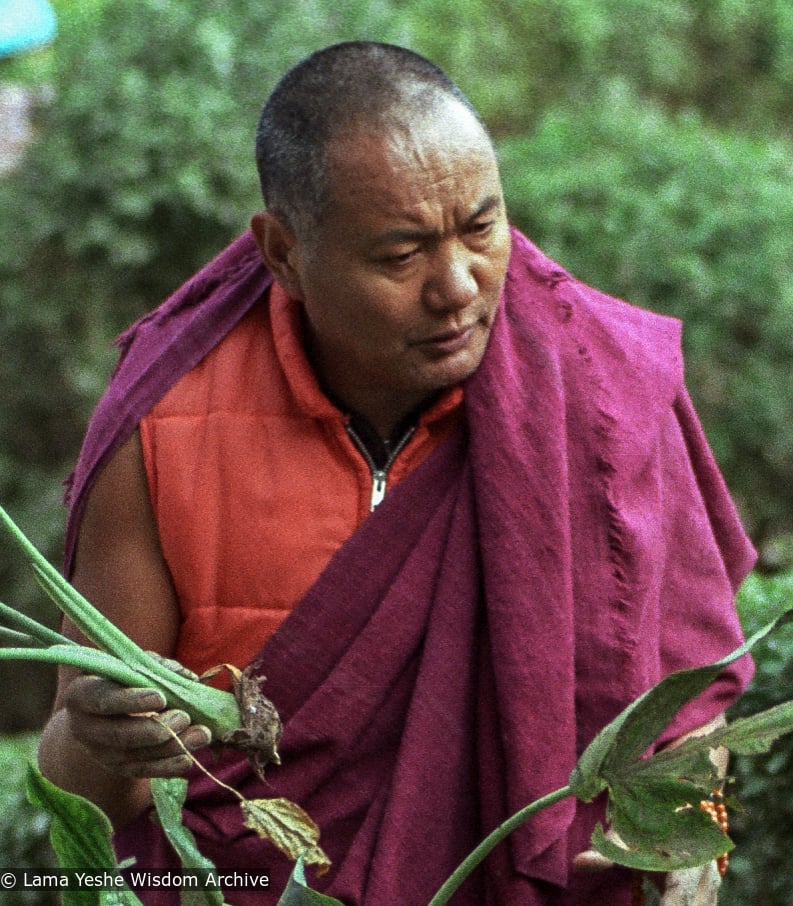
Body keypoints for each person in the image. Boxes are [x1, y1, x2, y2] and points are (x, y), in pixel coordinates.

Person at [38, 41, 755, 906]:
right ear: (283, 255)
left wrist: (690, 840)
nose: (458, 286)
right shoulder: (166, 422)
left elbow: (686, 695)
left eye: (481, 227)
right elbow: (82, 794)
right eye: (400, 255)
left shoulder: (597, 391)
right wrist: (96, 739)